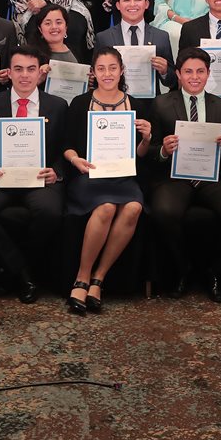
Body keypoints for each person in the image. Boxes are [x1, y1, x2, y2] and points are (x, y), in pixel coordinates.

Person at [149, 49, 221, 302]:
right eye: (188, 72)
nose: (194, 77)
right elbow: (149, 152)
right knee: (163, 212)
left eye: (200, 71)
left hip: (213, 177)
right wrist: (163, 149)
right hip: (175, 177)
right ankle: (184, 268)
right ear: (178, 74)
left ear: (208, 73)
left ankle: (216, 272)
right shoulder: (161, 104)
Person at [0, 46, 68, 303]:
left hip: (40, 180)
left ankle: (13, 269)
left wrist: (55, 172)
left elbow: (63, 149)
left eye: (31, 69)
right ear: (9, 73)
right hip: (1, 178)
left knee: (50, 212)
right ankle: (22, 271)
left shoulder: (57, 105)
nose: (25, 75)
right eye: (19, 69)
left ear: (40, 74)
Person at [62, 47, 150, 313]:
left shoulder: (136, 104)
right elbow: (66, 146)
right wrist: (75, 159)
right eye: (101, 68)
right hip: (90, 176)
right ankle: (82, 276)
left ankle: (99, 277)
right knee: (107, 207)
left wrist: (146, 138)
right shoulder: (80, 103)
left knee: (134, 207)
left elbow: (138, 155)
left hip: (122, 177)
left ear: (121, 70)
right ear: (93, 72)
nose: (107, 73)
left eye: (113, 68)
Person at [96, 0, 177, 91]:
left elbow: (173, 82)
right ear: (118, 5)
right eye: (126, 0)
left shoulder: (161, 37)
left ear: (146, 4)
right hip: (116, 103)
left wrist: (164, 71)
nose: (132, 4)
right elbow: (96, 78)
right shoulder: (104, 38)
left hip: (150, 104)